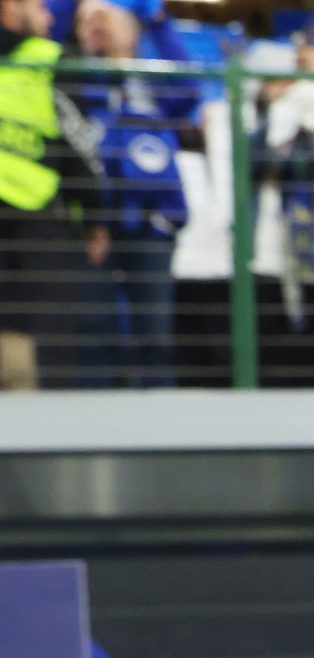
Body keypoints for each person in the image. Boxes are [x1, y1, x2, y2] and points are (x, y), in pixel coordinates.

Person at [62, 0, 181, 391]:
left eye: (105, 19)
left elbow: (189, 90)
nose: (95, 27)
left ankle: (160, 431)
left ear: (132, 33)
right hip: (92, 226)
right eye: (85, 22)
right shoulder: (71, 80)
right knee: (93, 333)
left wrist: (158, 21)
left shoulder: (152, 80)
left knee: (154, 336)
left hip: (149, 225)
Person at [0, 0, 104, 392]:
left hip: (33, 223)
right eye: (39, 6)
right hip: (38, 227)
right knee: (50, 352)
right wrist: (96, 216)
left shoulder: (47, 55)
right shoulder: (49, 57)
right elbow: (80, 149)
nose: (48, 16)